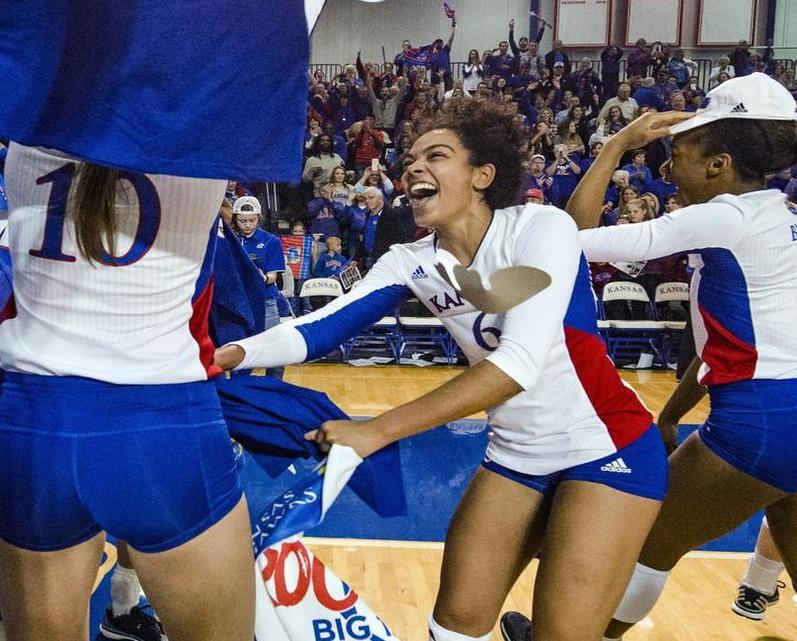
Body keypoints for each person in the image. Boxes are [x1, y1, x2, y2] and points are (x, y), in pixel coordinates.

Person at [215, 99, 668, 641]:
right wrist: (229, 354)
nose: (413, 169)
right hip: (517, 454)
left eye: (437, 156)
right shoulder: (411, 261)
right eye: (409, 160)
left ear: (482, 175)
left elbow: (515, 365)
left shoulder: (539, 227)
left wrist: (375, 431)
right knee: (452, 627)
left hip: (608, 447)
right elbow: (319, 328)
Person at [542, 73, 797, 641]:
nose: (667, 169)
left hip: (770, 421)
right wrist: (670, 415)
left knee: (645, 543)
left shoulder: (725, 216)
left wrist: (618, 144)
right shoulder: (789, 213)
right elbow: (727, 346)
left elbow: (569, 235)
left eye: (679, 154)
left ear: (719, 164)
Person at [0, 147, 254, 641]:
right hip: (164, 426)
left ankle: (123, 611)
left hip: (32, 427)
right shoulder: (207, 125)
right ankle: (122, 613)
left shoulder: (27, 118)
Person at [233, 196, 285, 379]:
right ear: (235, 219)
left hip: (265, 301)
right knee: (240, 349)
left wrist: (258, 275)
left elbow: (272, 277)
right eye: (242, 221)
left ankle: (275, 387)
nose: (247, 225)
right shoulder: (230, 240)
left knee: (276, 349)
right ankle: (240, 390)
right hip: (239, 303)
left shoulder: (271, 241)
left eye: (251, 220)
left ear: (259, 218)